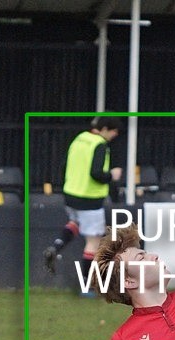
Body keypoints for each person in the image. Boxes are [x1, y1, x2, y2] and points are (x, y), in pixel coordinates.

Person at [43, 116, 123, 291]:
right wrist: (112, 175)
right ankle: (86, 285)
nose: (115, 134)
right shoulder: (99, 145)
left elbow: (64, 165)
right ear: (104, 129)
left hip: (71, 193)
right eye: (113, 131)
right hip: (90, 198)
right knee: (93, 241)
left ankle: (56, 247)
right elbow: (96, 173)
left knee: (76, 222)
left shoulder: (79, 139)